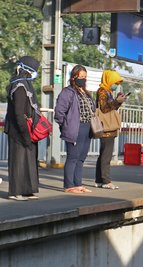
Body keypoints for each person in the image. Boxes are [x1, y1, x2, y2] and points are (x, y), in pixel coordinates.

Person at [5, 56, 41, 200]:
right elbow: (19, 113)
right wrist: (25, 135)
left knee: (29, 160)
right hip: (18, 130)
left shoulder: (25, 84)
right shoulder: (19, 86)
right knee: (18, 161)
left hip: (28, 129)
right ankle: (15, 191)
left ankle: (27, 189)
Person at [54, 64, 94, 193]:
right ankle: (69, 185)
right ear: (73, 77)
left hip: (87, 127)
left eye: (85, 77)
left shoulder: (85, 93)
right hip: (75, 128)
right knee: (72, 157)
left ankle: (78, 183)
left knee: (81, 158)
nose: (83, 79)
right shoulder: (68, 92)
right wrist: (65, 125)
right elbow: (59, 112)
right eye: (81, 77)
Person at [94, 70, 126, 190]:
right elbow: (105, 108)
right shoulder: (102, 91)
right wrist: (116, 101)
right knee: (106, 156)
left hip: (108, 128)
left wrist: (118, 101)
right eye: (115, 82)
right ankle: (106, 181)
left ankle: (99, 180)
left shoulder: (107, 92)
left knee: (103, 154)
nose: (116, 85)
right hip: (106, 128)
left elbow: (111, 106)